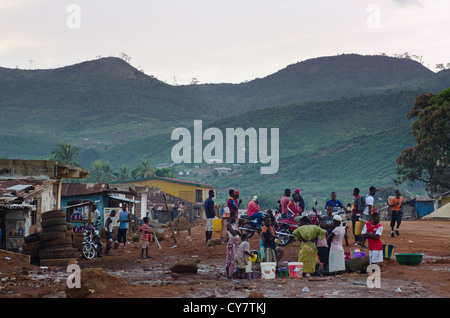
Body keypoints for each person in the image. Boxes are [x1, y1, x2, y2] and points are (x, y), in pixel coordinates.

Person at [226, 211, 241, 279]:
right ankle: (230, 274)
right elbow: (234, 233)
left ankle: (233, 273)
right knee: (231, 259)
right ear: (230, 217)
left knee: (235, 259)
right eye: (234, 217)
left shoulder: (234, 225)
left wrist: (237, 232)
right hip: (232, 243)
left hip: (236, 243)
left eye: (235, 217)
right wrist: (237, 232)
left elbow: (239, 234)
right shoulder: (228, 224)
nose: (235, 219)